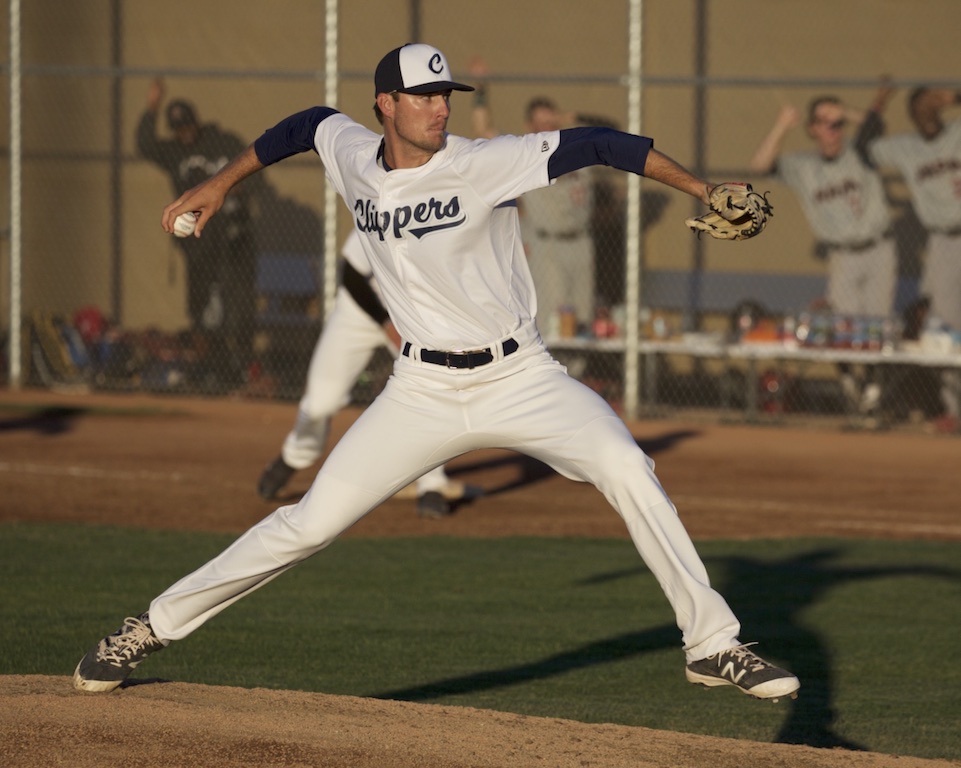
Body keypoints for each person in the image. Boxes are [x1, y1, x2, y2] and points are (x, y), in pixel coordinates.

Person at [74, 43, 799, 702]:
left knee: (627, 465)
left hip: (521, 377)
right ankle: (149, 628)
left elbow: (603, 144)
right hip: (420, 390)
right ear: (385, 104)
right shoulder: (352, 153)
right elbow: (305, 125)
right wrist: (222, 183)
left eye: (444, 94)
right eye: (422, 96)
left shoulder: (486, 161)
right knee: (308, 524)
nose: (438, 107)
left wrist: (703, 189)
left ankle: (712, 645)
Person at [257, 228, 471, 518]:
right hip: (360, 310)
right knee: (321, 402)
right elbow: (353, 275)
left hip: (416, 318)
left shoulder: (449, 220)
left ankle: (431, 484)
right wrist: (386, 323)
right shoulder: (384, 209)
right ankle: (294, 456)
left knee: (433, 391)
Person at [750, 85, 896, 417]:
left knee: (877, 326)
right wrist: (782, 126)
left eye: (837, 124)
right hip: (842, 255)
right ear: (812, 129)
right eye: (825, 123)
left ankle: (872, 393)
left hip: (879, 248)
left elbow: (876, 127)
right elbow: (759, 166)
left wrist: (845, 112)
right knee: (845, 326)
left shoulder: (860, 151)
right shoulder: (804, 166)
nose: (833, 130)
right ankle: (851, 385)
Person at [136, 77, 260, 390]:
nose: (184, 132)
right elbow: (144, 145)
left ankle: (240, 367)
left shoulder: (221, 142)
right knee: (201, 311)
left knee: (236, 307)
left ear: (196, 122)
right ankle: (211, 369)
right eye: (178, 129)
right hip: (198, 245)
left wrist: (232, 190)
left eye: (187, 125)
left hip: (232, 241)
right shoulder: (174, 152)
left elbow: (251, 171)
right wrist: (152, 107)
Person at [469, 56, 600, 344]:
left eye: (552, 121)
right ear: (529, 126)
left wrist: (571, 119)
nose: (548, 127)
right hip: (548, 246)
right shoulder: (527, 157)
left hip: (582, 242)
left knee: (583, 321)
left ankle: (580, 370)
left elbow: (612, 130)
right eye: (542, 123)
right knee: (554, 322)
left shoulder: (577, 147)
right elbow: (483, 132)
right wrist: (481, 90)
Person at [868, 85, 961, 432]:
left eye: (932, 104)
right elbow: (863, 149)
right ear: (912, 114)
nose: (927, 110)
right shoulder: (905, 147)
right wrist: (877, 106)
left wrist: (954, 96)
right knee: (945, 327)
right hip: (941, 241)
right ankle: (955, 410)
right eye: (920, 106)